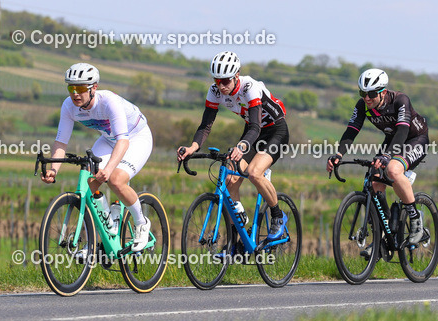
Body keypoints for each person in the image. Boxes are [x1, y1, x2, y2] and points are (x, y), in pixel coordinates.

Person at [176, 51, 290, 241]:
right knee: (229, 180)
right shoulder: (214, 91)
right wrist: (192, 147)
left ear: (237, 76)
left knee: (254, 173)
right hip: (253, 133)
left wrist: (242, 147)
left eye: (226, 81)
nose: (221, 86)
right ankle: (236, 242)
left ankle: (278, 215)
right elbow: (205, 125)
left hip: (275, 131)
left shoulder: (249, 87)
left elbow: (255, 125)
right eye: (217, 80)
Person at [41, 62, 152, 252]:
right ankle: (102, 234)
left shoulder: (109, 101)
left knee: (115, 179)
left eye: (81, 88)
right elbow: (61, 141)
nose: (75, 93)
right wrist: (53, 169)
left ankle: (141, 223)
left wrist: (108, 170)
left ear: (94, 88)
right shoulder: (69, 106)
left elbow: (123, 142)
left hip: (135, 138)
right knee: (89, 185)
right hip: (109, 139)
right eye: (71, 87)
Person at [326, 68, 429, 251]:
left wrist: (387, 156)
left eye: (371, 94)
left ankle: (415, 219)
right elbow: (352, 130)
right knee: (374, 178)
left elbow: (403, 131)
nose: (367, 98)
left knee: (392, 170)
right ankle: (385, 233)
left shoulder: (400, 100)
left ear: (382, 92)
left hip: (415, 139)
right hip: (392, 140)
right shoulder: (362, 105)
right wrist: (338, 154)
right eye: (363, 93)